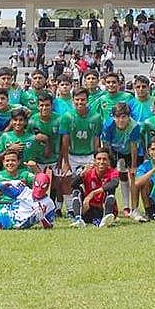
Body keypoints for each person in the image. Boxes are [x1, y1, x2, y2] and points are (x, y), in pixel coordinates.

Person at [59, 87, 103, 215]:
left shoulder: (96, 117)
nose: (80, 102)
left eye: (82, 100)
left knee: (90, 180)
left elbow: (96, 139)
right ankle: (70, 209)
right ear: (73, 100)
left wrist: (95, 158)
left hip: (89, 155)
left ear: (87, 100)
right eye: (77, 100)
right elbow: (65, 141)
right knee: (66, 179)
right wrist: (65, 161)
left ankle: (91, 207)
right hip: (72, 155)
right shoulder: (67, 117)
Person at [100, 102, 140, 217]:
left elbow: (133, 148)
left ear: (129, 117)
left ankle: (133, 208)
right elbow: (106, 145)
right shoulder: (108, 125)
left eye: (124, 117)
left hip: (128, 151)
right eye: (117, 117)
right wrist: (109, 163)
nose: (121, 120)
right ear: (113, 117)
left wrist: (133, 165)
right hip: (114, 150)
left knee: (132, 177)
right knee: (113, 177)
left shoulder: (134, 126)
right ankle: (111, 208)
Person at [69, 148, 120, 228]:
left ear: (109, 161)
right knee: (76, 190)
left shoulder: (112, 172)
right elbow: (72, 184)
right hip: (88, 207)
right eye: (99, 159)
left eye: (104, 159)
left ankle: (106, 218)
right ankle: (78, 219)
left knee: (111, 190)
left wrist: (92, 193)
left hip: (102, 208)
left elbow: (115, 183)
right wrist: (82, 174)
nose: (101, 162)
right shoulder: (88, 171)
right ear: (95, 161)